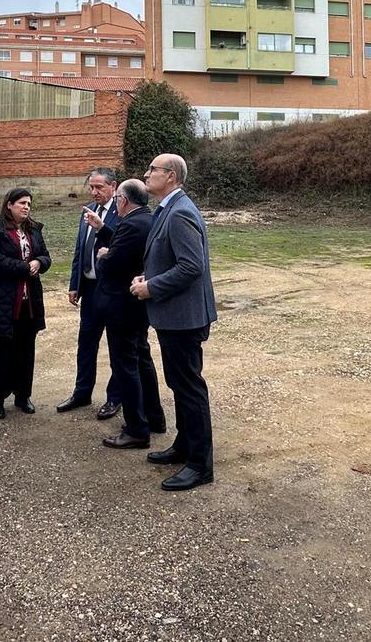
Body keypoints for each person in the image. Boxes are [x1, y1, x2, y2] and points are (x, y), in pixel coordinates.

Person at [130, 154, 217, 491]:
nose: (147, 173)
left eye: (152, 169)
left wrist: (151, 287)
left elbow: (191, 266)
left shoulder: (180, 212)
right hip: (174, 316)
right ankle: (184, 446)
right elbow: (170, 259)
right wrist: (148, 275)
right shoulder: (168, 208)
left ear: (171, 176)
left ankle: (200, 465)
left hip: (184, 317)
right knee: (180, 386)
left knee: (190, 389)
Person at [88, 178, 166, 450]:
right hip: (136, 306)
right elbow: (127, 248)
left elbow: (113, 264)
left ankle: (136, 429)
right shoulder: (147, 219)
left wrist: (104, 256)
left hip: (122, 305)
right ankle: (154, 418)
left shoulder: (132, 224)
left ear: (123, 200)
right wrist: (105, 232)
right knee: (142, 361)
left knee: (126, 366)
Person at [0, 188, 52, 419]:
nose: (26, 207)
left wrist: (39, 262)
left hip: (28, 303)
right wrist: (24, 268)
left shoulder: (33, 229)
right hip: (0, 302)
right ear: (9, 205)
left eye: (29, 204)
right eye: (22, 203)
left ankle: (23, 395)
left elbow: (45, 256)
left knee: (26, 351)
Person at [57, 168, 121, 419]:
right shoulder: (86, 213)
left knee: (117, 345)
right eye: (91, 187)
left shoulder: (123, 211)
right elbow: (79, 250)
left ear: (113, 186)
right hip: (90, 289)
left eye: (99, 187)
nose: (94, 192)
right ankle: (82, 392)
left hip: (113, 290)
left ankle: (115, 398)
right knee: (86, 343)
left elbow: (125, 245)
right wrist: (75, 284)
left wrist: (103, 226)